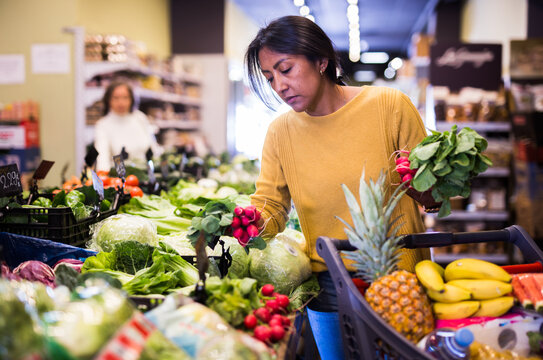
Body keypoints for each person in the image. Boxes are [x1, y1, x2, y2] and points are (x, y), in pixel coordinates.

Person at [245, 15, 440, 359]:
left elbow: (434, 197)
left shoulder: (390, 107)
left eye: (285, 69)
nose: (278, 86)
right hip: (329, 285)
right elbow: (272, 208)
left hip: (400, 278)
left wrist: (422, 186)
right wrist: (247, 222)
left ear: (321, 61)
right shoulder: (280, 132)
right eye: (270, 76)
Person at [94, 80, 162, 171]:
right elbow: (102, 159)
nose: (121, 102)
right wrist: (103, 176)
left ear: (132, 99)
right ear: (108, 100)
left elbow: (154, 148)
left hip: (147, 174)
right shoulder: (102, 125)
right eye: (116, 98)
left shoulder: (140, 117)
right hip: (120, 180)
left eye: (125, 97)